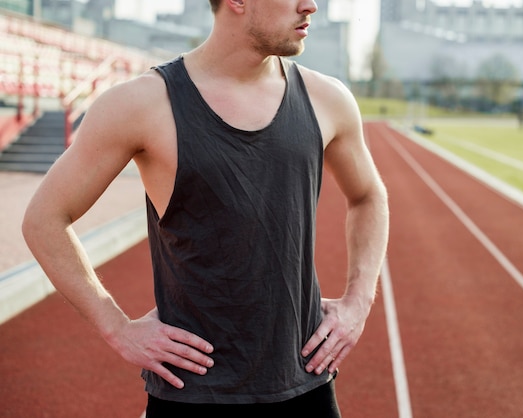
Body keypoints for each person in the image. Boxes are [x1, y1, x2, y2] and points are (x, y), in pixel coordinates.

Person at [21, 0, 389, 417]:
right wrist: (117, 328)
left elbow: (368, 196)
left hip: (306, 386)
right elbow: (44, 219)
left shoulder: (328, 99)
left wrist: (358, 304)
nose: (312, 5)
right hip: (191, 393)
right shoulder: (141, 103)